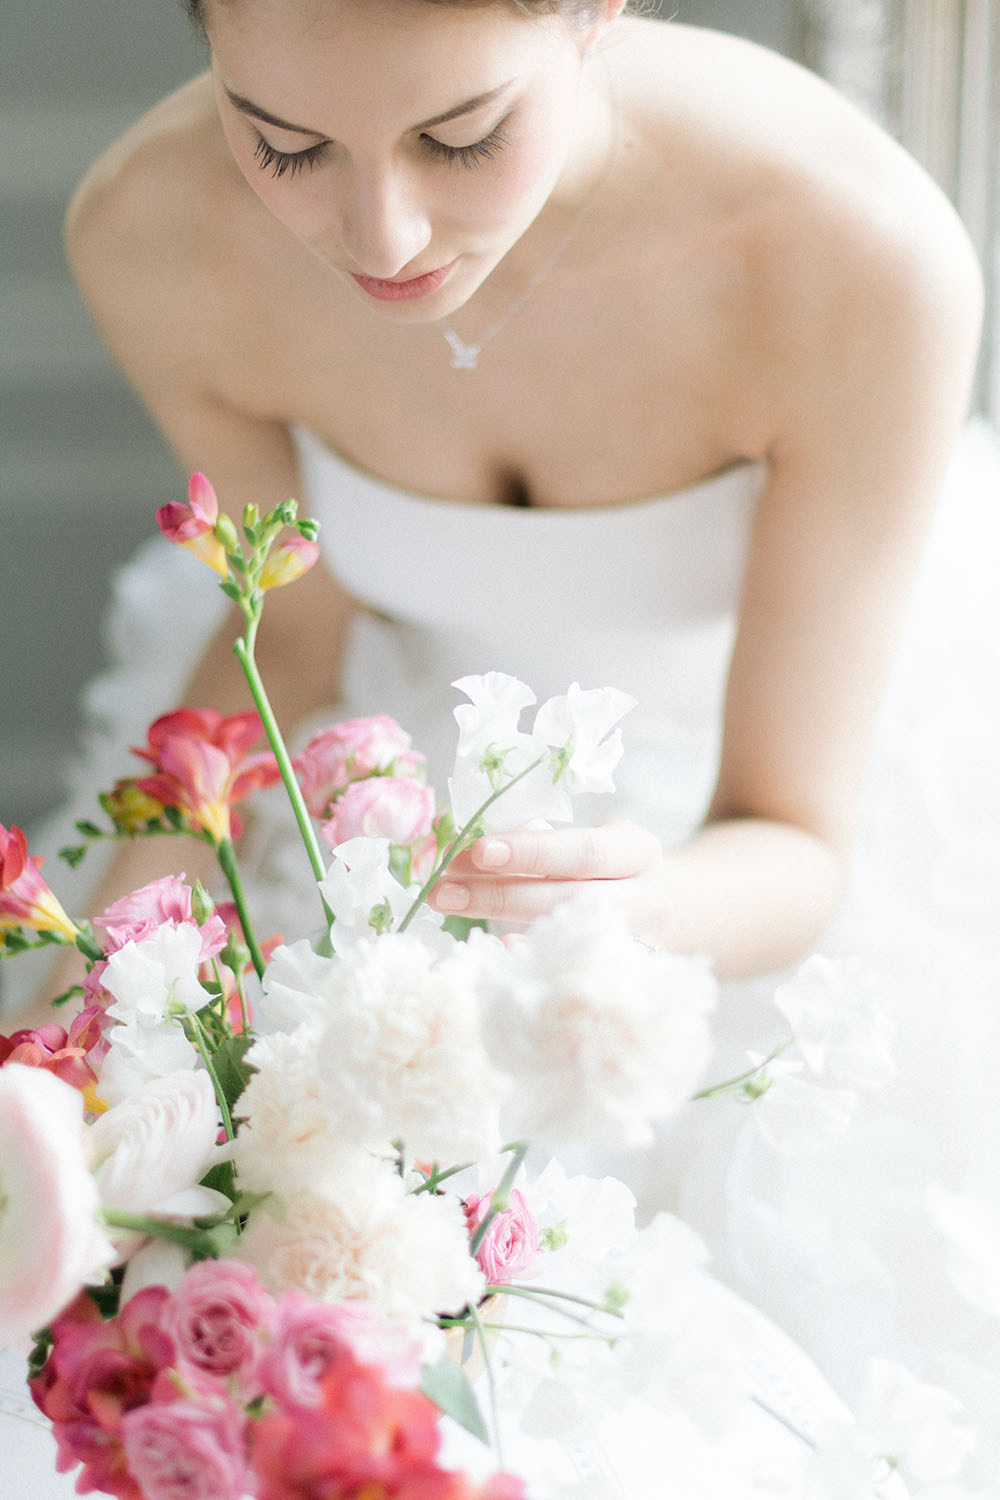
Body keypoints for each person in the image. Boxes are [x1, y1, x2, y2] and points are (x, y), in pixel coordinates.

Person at [7, 0, 1000, 1475]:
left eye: (460, 136)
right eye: (283, 144)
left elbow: (795, 832)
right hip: (366, 769)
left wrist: (629, 920)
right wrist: (109, 996)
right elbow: (291, 628)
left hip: (714, 849)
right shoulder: (158, 230)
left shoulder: (857, 257)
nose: (382, 233)